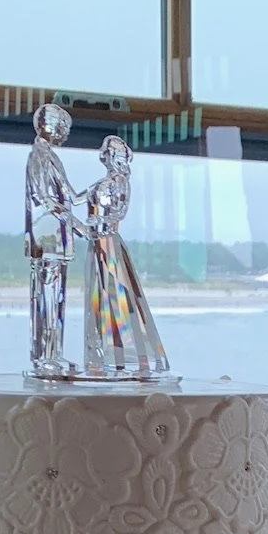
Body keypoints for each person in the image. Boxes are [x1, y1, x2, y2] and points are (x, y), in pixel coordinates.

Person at [79, 134, 170, 381]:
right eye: (106, 152)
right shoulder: (102, 182)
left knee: (117, 296)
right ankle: (101, 357)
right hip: (96, 242)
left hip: (108, 242)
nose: (107, 156)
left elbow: (120, 211)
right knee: (98, 298)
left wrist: (95, 222)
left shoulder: (120, 182)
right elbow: (75, 199)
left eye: (111, 152)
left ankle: (129, 359)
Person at [24, 101, 81, 380]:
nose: (66, 135)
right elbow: (46, 199)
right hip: (46, 240)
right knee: (45, 300)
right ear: (50, 127)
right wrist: (78, 224)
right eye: (64, 128)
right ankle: (43, 358)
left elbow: (70, 196)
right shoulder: (38, 156)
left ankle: (53, 354)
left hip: (58, 240)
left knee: (57, 300)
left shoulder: (51, 157)